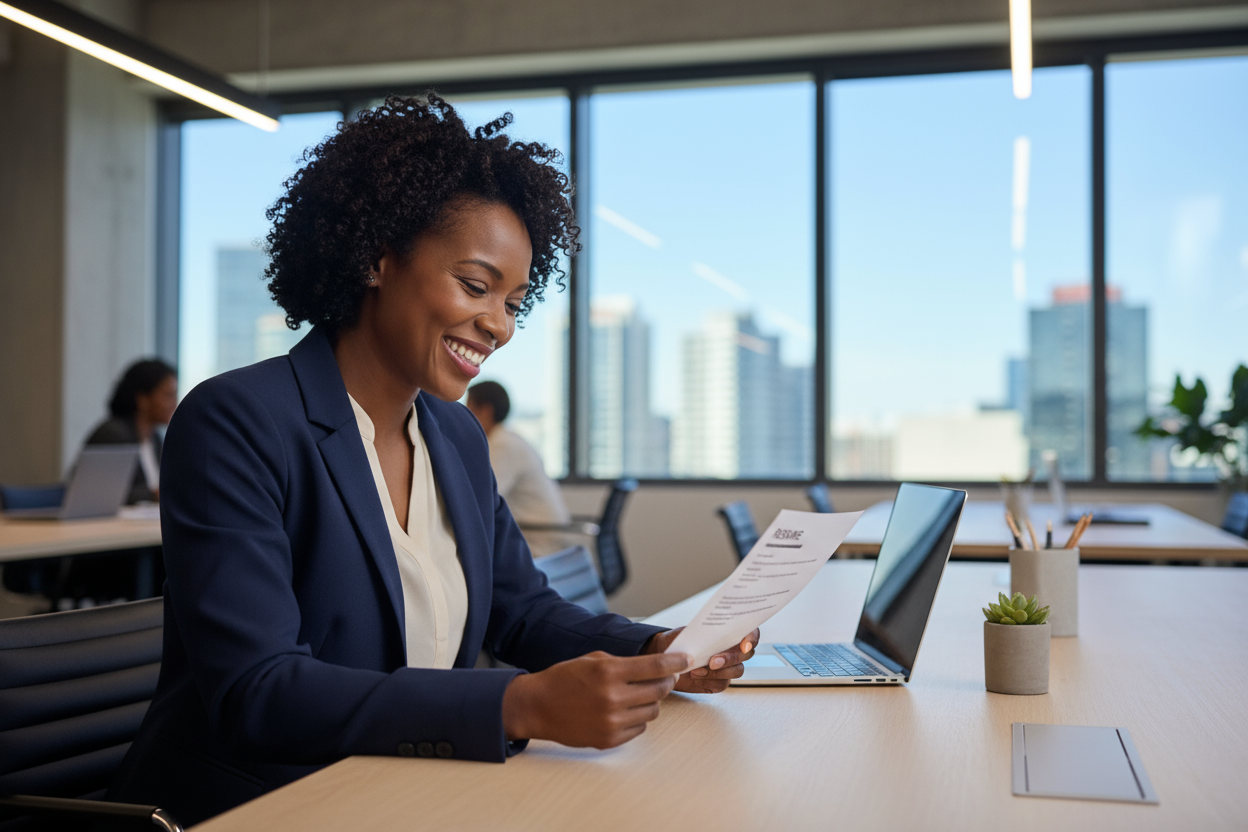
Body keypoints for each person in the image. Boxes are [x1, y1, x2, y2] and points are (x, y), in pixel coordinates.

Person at [108, 95, 757, 826]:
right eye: (476, 286)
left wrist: (659, 649)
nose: (499, 326)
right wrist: (518, 703)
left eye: (515, 301)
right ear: (377, 258)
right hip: (255, 806)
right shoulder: (239, 420)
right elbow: (260, 690)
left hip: (404, 796)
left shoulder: (453, 436)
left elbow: (522, 611)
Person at [466, 380, 574, 556]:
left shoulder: (503, 445)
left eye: (468, 408)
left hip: (539, 541)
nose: (465, 417)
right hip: (542, 534)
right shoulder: (509, 439)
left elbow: (483, 499)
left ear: (485, 411)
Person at [85, 358, 178, 504]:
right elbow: (100, 493)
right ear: (143, 400)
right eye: (168, 395)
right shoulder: (112, 434)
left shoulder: (155, 439)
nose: (174, 403)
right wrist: (154, 494)